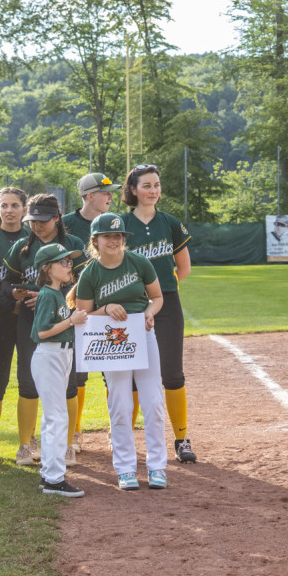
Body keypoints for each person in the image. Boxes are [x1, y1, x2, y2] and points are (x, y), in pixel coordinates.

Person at [76, 211, 170, 490]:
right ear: (96, 240)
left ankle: (157, 466)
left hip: (142, 334)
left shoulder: (138, 262)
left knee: (153, 402)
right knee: (120, 405)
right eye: (108, 236)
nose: (114, 240)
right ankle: (125, 468)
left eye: (118, 235)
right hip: (111, 341)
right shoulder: (90, 273)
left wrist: (150, 313)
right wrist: (104, 310)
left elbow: (157, 297)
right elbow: (82, 315)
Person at [4, 195, 90, 465]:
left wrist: (48, 296)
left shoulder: (72, 245)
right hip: (29, 321)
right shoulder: (22, 247)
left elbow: (85, 283)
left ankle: (67, 443)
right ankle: (25, 444)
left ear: (56, 218)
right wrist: (18, 294)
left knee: (69, 385)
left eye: (42, 220)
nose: (37, 226)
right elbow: (8, 281)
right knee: (27, 384)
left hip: (66, 321)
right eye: (32, 221)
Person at [122, 163, 196, 463]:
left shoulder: (170, 223)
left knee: (172, 373)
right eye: (146, 185)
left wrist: (160, 292)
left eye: (156, 185)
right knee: (130, 377)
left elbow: (184, 267)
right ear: (133, 190)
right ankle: (125, 438)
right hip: (130, 307)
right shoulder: (121, 225)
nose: (153, 191)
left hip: (166, 303)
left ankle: (181, 439)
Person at [62, 174, 119, 442]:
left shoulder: (113, 222)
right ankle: (74, 432)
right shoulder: (67, 226)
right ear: (88, 196)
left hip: (111, 305)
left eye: (110, 193)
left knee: (115, 373)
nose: (110, 197)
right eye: (104, 192)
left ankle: (116, 431)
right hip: (78, 308)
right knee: (78, 375)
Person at [29, 242, 89, 497]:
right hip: (50, 354)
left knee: (53, 416)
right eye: (62, 262)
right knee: (57, 417)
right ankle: (54, 479)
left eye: (69, 262)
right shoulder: (46, 294)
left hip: (61, 354)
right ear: (47, 268)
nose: (69, 266)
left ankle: (48, 474)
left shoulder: (57, 294)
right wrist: (71, 320)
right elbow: (41, 332)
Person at [0, 187, 31, 461]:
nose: (9, 210)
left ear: (24, 208)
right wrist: (8, 302)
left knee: (30, 377)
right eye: (4, 205)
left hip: (30, 314)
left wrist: (21, 304)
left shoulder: (32, 236)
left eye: (15, 205)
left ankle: (28, 438)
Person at [64, 172, 122, 243]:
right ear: (90, 196)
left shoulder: (115, 221)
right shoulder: (65, 224)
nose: (111, 197)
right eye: (106, 193)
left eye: (111, 193)